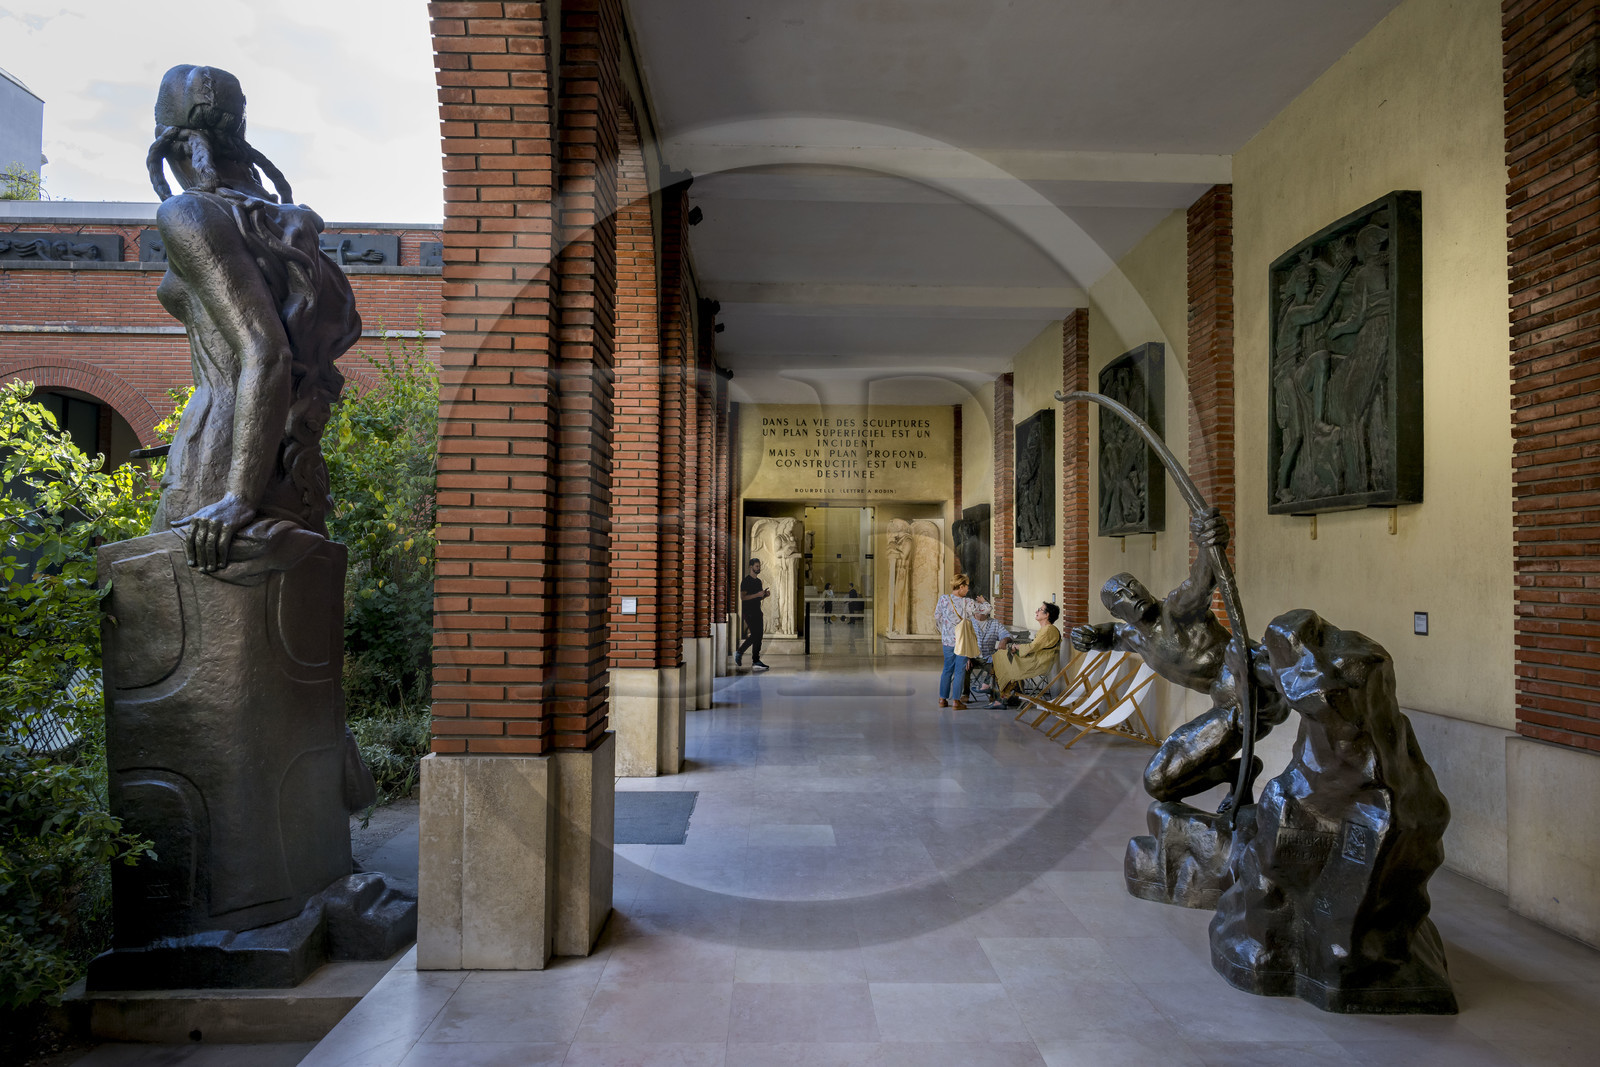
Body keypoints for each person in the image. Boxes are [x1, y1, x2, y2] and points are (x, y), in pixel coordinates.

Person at [145, 64, 361, 571]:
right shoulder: (284, 226)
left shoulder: (188, 213)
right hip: (291, 468)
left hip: (219, 465)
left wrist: (238, 496)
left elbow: (266, 353)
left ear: (172, 144)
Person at [1069, 508, 1287, 804]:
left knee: (1158, 780)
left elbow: (1200, 582)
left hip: (1251, 692)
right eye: (1120, 595)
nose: (1131, 595)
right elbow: (1111, 636)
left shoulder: (1176, 610)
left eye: (1132, 586)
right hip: (1228, 706)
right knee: (1160, 783)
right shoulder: (1135, 637)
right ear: (1116, 611)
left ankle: (1240, 774)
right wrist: (1088, 635)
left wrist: (1208, 542)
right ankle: (1236, 773)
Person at [989, 602, 1063, 706]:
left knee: (1003, 657)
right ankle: (1007, 696)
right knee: (1003, 656)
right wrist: (1016, 648)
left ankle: (1002, 696)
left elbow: (1033, 647)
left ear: (1047, 615)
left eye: (1040, 610)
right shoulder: (1046, 629)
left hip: (1039, 663)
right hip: (1035, 659)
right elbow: (1034, 646)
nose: (1036, 611)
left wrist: (1016, 647)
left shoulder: (1048, 630)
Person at [933, 573, 985, 709]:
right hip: (962, 642)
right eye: (967, 586)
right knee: (960, 671)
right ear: (961, 586)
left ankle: (942, 700)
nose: (968, 589)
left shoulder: (943, 599)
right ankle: (956, 702)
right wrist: (983, 602)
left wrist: (944, 632)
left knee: (947, 670)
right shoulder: (967, 602)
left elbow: (937, 617)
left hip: (947, 641)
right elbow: (986, 610)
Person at [963, 601, 1012, 701]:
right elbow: (961, 642)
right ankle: (965, 694)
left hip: (988, 658)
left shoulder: (994, 623)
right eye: (977, 607)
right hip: (971, 657)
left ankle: (992, 693)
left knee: (998, 665)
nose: (980, 610)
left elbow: (1007, 634)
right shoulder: (968, 623)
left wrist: (1004, 640)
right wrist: (965, 657)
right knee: (963, 666)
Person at [735, 557, 771, 671]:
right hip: (748, 612)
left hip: (757, 611)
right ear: (751, 567)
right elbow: (743, 597)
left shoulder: (758, 581)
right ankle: (739, 652)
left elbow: (757, 597)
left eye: (759, 566)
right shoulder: (746, 581)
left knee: (759, 636)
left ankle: (756, 661)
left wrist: (764, 595)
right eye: (756, 566)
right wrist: (757, 595)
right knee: (755, 634)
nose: (758, 568)